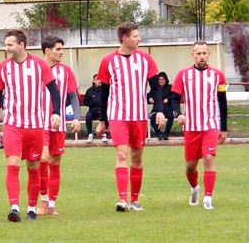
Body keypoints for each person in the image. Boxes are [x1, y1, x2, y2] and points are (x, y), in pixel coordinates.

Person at [0, 29, 62, 222]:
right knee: (12, 164)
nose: (7, 49)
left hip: (35, 125)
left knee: (33, 166)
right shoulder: (2, 67)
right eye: (5, 45)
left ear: (21, 45)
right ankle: (14, 207)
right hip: (12, 124)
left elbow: (53, 90)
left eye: (10, 45)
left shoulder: (39, 65)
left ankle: (30, 208)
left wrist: (56, 113)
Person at [96, 22, 165, 212]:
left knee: (136, 157)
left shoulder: (146, 59)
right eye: (136, 36)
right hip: (118, 116)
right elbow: (105, 93)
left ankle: (135, 200)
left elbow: (155, 88)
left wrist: (158, 110)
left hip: (139, 116)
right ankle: (122, 200)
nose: (139, 39)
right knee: (121, 155)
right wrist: (103, 120)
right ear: (125, 39)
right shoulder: (108, 61)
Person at [171, 40, 228, 210]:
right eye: (198, 53)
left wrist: (223, 128)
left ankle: (208, 198)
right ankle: (195, 188)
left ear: (208, 55)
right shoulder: (183, 75)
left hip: (210, 124)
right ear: (193, 55)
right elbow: (174, 98)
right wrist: (178, 114)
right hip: (191, 127)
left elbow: (222, 103)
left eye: (204, 53)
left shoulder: (218, 76)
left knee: (208, 158)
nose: (202, 56)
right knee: (190, 167)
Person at [36, 35, 81, 217]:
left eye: (62, 49)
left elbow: (73, 97)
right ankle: (43, 199)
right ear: (47, 50)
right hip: (39, 123)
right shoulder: (35, 68)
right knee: (43, 159)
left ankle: (52, 204)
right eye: (58, 49)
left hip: (59, 124)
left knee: (54, 162)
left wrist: (76, 118)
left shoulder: (66, 71)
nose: (61, 52)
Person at [148, 72, 179, 140]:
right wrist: (150, 98)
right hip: (157, 108)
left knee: (170, 117)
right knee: (153, 117)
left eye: (163, 79)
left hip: (167, 108)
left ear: (166, 80)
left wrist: (167, 99)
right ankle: (158, 133)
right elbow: (149, 95)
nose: (161, 81)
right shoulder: (155, 89)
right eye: (159, 79)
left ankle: (166, 133)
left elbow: (174, 96)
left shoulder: (170, 87)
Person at [82, 74, 108, 143]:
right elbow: (85, 102)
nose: (99, 81)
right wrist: (93, 103)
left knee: (106, 115)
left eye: (100, 79)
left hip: (102, 109)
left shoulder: (105, 90)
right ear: (93, 81)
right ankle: (90, 134)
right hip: (93, 110)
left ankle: (104, 134)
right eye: (97, 79)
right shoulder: (89, 91)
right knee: (88, 116)